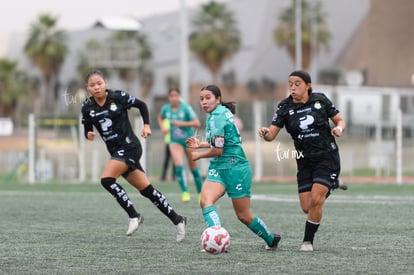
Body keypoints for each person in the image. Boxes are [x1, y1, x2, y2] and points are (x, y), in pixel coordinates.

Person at [81, 70, 187, 242]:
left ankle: (134, 216)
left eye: (99, 83)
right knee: (147, 191)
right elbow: (87, 127)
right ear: (88, 88)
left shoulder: (118, 97)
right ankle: (178, 219)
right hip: (116, 152)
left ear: (105, 83)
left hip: (130, 146)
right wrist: (89, 134)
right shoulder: (87, 107)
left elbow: (142, 105)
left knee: (107, 180)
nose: (97, 87)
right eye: (92, 85)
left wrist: (146, 125)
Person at [258, 70, 347, 252]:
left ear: (308, 85)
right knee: (307, 207)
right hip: (304, 161)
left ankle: (307, 242)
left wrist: (339, 128)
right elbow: (272, 135)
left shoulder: (320, 100)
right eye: (290, 83)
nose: (293, 87)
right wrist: (265, 133)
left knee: (316, 199)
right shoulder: (284, 107)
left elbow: (340, 120)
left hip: (326, 157)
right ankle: (333, 183)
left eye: (297, 83)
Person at [186, 84, 281, 251]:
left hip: (235, 168)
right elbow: (221, 141)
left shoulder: (217, 116)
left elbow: (217, 150)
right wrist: (200, 144)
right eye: (201, 99)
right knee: (206, 200)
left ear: (218, 99)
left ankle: (271, 239)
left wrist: (198, 155)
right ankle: (216, 237)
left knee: (243, 215)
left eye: (208, 98)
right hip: (219, 167)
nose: (204, 102)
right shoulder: (217, 113)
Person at [158, 88, 203, 202]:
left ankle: (200, 192)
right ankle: (185, 192)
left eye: (176, 95)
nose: (174, 98)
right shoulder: (166, 109)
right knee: (178, 165)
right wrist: (163, 126)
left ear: (179, 96)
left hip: (188, 141)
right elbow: (160, 117)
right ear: (169, 97)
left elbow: (197, 123)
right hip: (175, 141)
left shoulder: (186, 108)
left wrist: (181, 123)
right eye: (171, 96)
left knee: (193, 167)